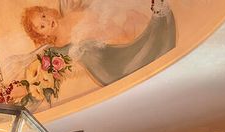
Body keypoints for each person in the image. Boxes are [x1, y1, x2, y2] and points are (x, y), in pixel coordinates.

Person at [19, 1, 176, 87]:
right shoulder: (55, 50)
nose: (46, 22)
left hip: (113, 54)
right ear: (43, 35)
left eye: (44, 16)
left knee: (136, 49)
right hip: (104, 70)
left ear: (48, 11)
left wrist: (115, 34)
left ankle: (156, 19)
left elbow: (100, 23)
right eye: (41, 26)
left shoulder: (72, 16)